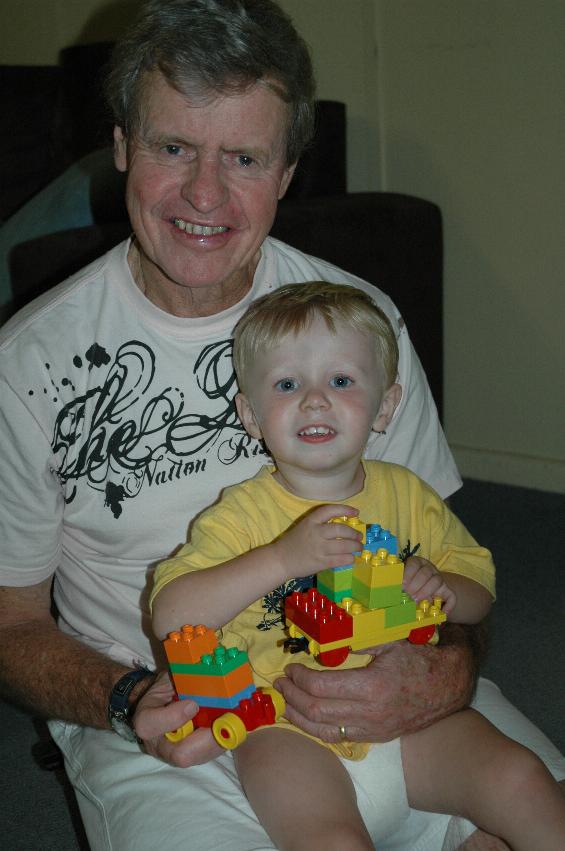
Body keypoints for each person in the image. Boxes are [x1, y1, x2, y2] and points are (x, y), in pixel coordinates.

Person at [0, 2, 562, 849]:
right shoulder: (29, 360)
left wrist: (450, 661)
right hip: (180, 721)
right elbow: (9, 623)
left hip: (387, 680)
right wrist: (126, 695)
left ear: (288, 171)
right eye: (173, 147)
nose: (204, 193)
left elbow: (447, 558)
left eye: (245, 158)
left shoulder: (359, 325)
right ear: (120, 146)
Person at [150, 282, 565, 851]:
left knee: (520, 779)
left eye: (341, 380)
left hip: (415, 720)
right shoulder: (240, 513)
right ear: (250, 414)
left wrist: (442, 589)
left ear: (386, 406)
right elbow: (172, 613)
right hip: (285, 724)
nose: (315, 400)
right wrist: (280, 558)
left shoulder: (408, 494)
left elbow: (480, 588)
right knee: (330, 840)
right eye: (288, 384)